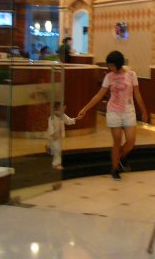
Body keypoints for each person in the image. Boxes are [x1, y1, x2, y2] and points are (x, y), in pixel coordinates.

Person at [76, 50, 149, 180]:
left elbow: (137, 94)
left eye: (111, 65)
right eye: (108, 65)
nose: (110, 68)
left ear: (118, 64)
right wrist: (85, 108)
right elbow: (99, 94)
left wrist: (143, 111)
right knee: (117, 140)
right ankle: (114, 168)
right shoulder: (109, 77)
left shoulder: (131, 75)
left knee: (131, 140)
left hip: (128, 111)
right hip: (113, 111)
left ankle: (121, 157)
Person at [47, 101, 76, 171]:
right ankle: (56, 164)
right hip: (53, 137)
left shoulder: (63, 116)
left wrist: (76, 119)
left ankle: (49, 147)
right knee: (57, 149)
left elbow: (68, 121)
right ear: (55, 109)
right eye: (61, 109)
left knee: (58, 149)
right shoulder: (51, 118)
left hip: (59, 136)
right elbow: (50, 128)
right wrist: (53, 134)